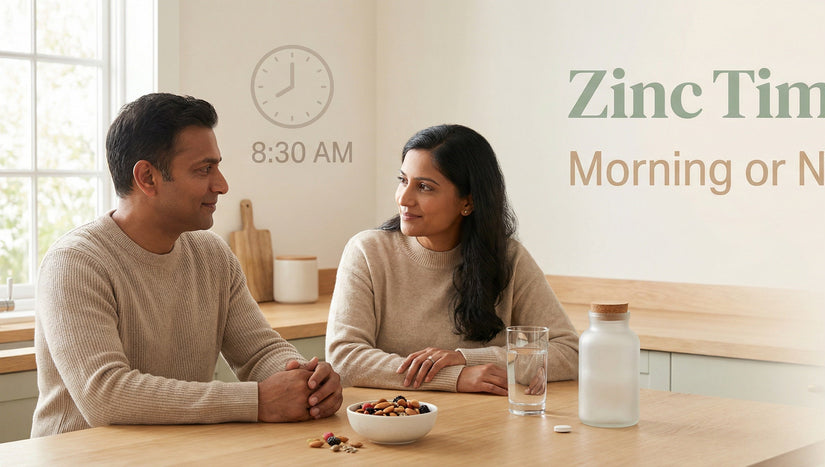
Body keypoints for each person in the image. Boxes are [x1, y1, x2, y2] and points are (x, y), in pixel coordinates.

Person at [32, 93, 342, 437]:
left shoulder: (212, 254)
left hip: (175, 452)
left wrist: (307, 381)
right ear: (147, 178)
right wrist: (255, 401)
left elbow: (259, 352)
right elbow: (105, 395)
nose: (221, 185)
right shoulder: (74, 263)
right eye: (204, 169)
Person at [326, 124, 578, 395]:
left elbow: (570, 352)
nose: (404, 198)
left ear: (467, 202)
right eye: (403, 180)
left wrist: (466, 359)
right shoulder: (367, 252)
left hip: (482, 417)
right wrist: (455, 377)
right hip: (398, 416)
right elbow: (345, 359)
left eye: (424, 187)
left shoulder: (509, 258)